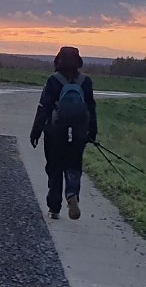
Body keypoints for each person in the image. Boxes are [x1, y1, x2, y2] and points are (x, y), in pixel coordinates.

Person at [29, 46, 97, 220]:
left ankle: (54, 208)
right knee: (74, 165)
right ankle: (72, 194)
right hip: (79, 131)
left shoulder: (53, 80)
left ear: (58, 60)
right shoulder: (85, 81)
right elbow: (91, 108)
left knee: (54, 166)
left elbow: (43, 108)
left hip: (55, 131)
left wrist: (35, 132)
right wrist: (92, 132)